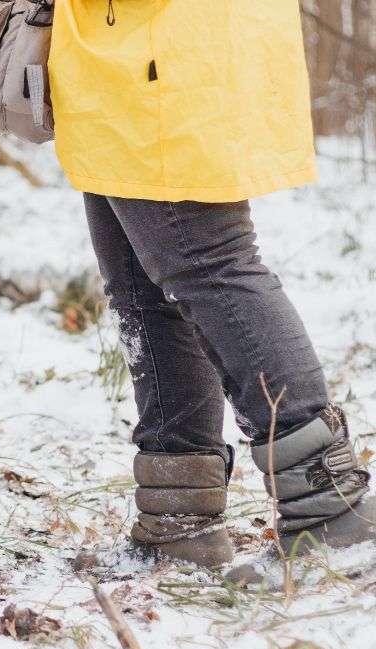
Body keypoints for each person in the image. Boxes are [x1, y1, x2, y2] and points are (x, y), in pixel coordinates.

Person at [47, 0, 375, 566]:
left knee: (213, 268)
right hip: (120, 70)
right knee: (143, 294)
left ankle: (331, 513)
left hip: (169, 64)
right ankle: (178, 525)